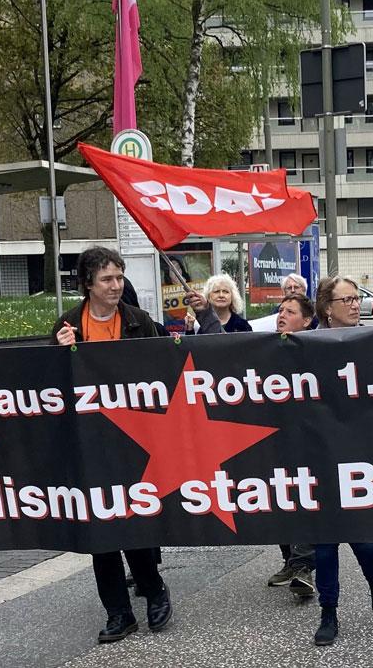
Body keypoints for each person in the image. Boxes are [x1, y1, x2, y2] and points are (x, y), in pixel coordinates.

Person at [51, 247, 216, 643]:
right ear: (87, 283)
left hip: (136, 439)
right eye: (107, 279)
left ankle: (155, 592)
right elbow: (51, 389)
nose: (115, 286)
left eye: (119, 278)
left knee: (134, 522)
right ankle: (117, 613)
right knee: (100, 533)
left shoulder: (139, 321)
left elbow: (164, 370)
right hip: (90, 444)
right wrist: (59, 354)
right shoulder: (69, 324)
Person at [310, 276, 373, 646]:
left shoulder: (370, 340)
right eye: (347, 299)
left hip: (357, 453)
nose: (356, 304)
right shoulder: (304, 345)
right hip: (317, 454)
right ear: (328, 308)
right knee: (324, 543)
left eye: (357, 298)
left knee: (360, 538)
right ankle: (329, 613)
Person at [265, 294, 318, 598]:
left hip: (309, 438)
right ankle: (291, 560)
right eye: (280, 310)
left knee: (306, 499)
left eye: (290, 311)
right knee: (282, 499)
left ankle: (303, 567)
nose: (282, 315)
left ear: (307, 320)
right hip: (276, 437)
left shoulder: (315, 348)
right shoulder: (269, 346)